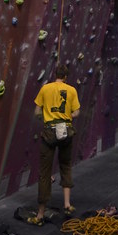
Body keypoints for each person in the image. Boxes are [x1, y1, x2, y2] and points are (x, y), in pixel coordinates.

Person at [29, 64, 80, 224]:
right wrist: (67, 116)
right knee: (65, 166)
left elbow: (37, 111)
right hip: (65, 131)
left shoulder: (45, 89)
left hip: (49, 132)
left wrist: (45, 119)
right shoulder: (71, 90)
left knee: (45, 173)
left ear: (54, 74)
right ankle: (67, 204)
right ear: (66, 76)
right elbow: (76, 112)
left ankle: (40, 214)